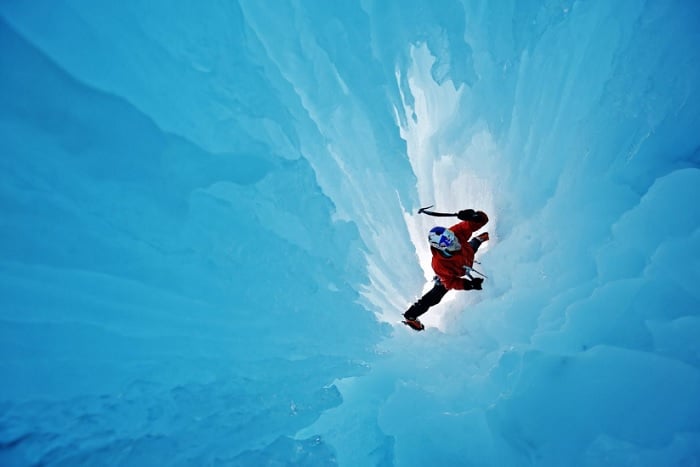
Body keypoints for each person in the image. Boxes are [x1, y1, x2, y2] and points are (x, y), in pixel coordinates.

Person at [402, 209, 490, 331]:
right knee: (435, 296)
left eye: (452, 237)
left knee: (474, 243)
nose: (454, 242)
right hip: (451, 273)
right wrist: (468, 284)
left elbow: (481, 221)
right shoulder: (439, 265)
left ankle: (478, 240)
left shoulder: (456, 233)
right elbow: (451, 282)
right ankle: (410, 316)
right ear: (441, 247)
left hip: (467, 255)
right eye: (448, 242)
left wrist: (475, 216)